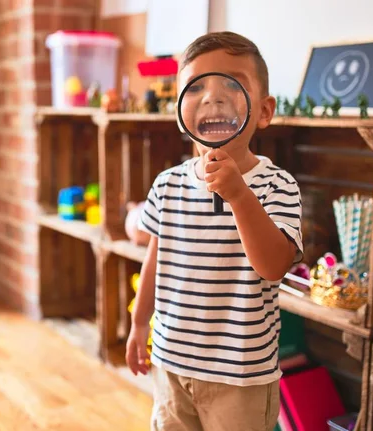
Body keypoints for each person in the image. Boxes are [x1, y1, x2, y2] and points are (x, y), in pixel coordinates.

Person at [125, 31, 304, 431]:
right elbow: (156, 258)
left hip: (240, 377)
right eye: (197, 86)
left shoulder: (279, 186)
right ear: (179, 113)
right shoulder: (167, 184)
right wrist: (139, 323)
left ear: (263, 111)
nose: (213, 96)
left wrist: (240, 196)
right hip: (171, 362)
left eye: (231, 83)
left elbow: (274, 265)